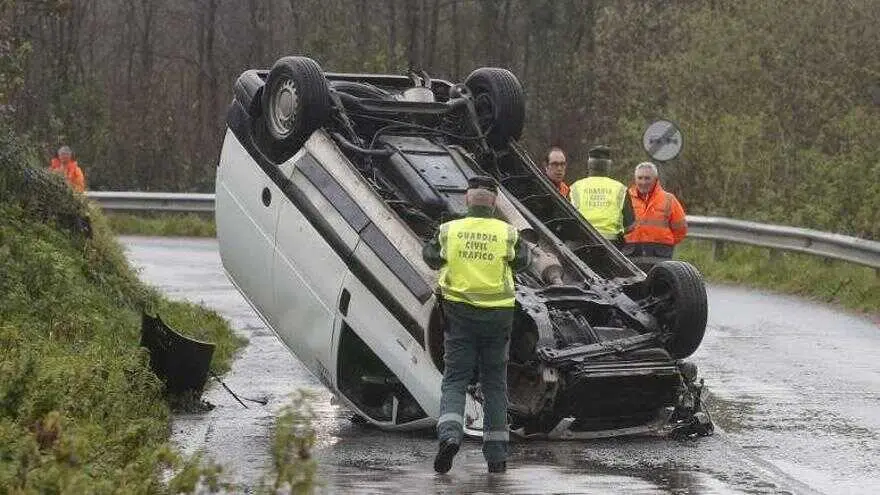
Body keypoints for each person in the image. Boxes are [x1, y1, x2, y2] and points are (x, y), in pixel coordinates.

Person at [422, 175, 530, 475]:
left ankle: (450, 436)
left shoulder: (450, 231)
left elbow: (430, 257)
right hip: (498, 318)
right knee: (495, 384)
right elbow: (523, 262)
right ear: (494, 203)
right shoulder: (507, 233)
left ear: (467, 199)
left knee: (455, 380)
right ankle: (496, 457)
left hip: (459, 317)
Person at [568, 145, 634, 247]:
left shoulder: (575, 187)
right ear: (608, 166)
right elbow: (630, 226)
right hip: (610, 247)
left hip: (581, 246)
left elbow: (566, 219)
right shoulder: (620, 189)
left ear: (589, 165)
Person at [624, 161, 687, 261]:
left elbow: (681, 229)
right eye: (640, 178)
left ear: (655, 180)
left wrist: (665, 243)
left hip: (661, 254)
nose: (643, 182)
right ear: (635, 179)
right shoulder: (625, 199)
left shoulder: (669, 199)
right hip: (631, 253)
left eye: (647, 178)